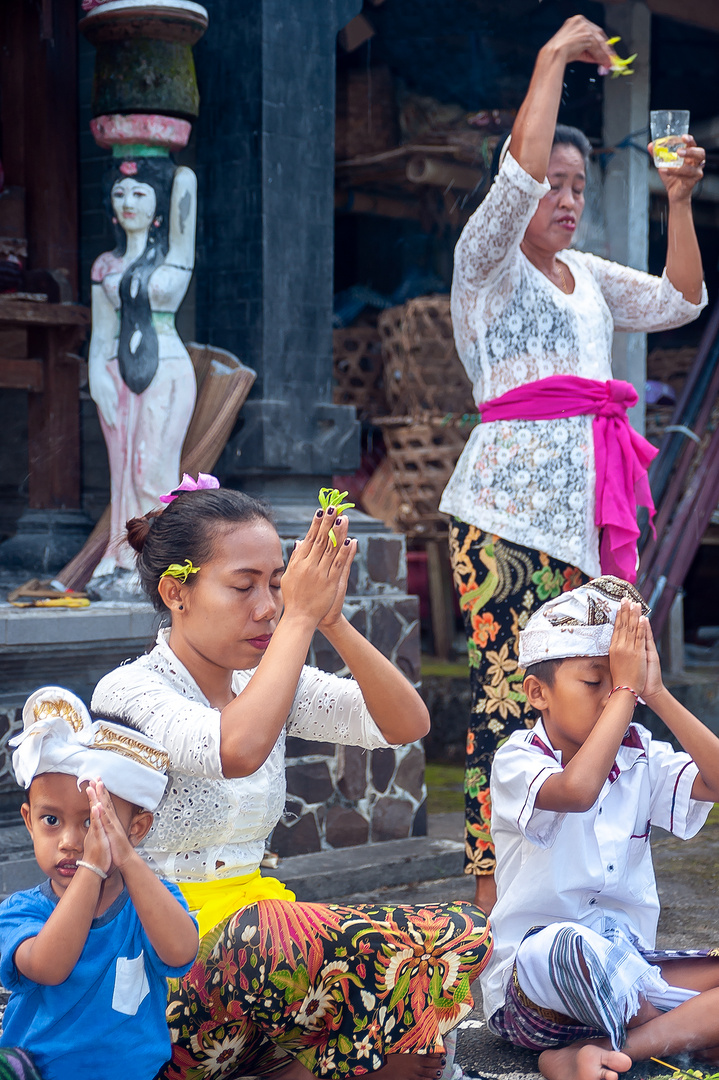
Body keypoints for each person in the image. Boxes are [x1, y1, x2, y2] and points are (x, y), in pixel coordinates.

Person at [438, 14, 708, 914]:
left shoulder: (586, 276)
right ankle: (488, 906)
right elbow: (512, 181)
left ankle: (575, 887)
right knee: (504, 703)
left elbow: (677, 300)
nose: (562, 197)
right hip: (502, 516)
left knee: (585, 702)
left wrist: (674, 201)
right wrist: (551, 57)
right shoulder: (484, 264)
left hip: (587, 518)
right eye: (550, 183)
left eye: (576, 184)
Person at [90, 479, 492, 1080]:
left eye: (277, 583)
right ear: (177, 592)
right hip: (162, 978)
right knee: (268, 938)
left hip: (264, 977)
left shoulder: (267, 682)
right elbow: (236, 749)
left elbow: (406, 722)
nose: (268, 607)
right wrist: (299, 619)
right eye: (243, 585)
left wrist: (332, 621)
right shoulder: (129, 690)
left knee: (432, 1000)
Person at [480, 576, 719, 1080]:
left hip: (631, 971)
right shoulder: (516, 760)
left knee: (626, 960)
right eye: (596, 683)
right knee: (564, 946)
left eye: (619, 685)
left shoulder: (641, 754)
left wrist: (656, 693)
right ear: (537, 692)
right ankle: (683, 1033)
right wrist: (628, 690)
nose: (615, 699)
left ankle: (604, 1052)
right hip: (538, 986)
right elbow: (577, 790)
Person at [0, 686, 199, 1080]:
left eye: (92, 822)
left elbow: (180, 952)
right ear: (28, 821)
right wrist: (92, 870)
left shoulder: (150, 903)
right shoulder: (21, 912)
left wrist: (124, 857)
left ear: (136, 829)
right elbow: (48, 967)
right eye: (51, 821)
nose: (72, 842)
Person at [88, 154, 198, 580]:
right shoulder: (105, 265)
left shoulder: (175, 256)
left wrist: (177, 177)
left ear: (159, 204)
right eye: (119, 193)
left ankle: (159, 562)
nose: (127, 202)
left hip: (166, 370)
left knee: (153, 470)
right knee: (122, 473)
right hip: (116, 375)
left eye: (139, 192)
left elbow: (185, 191)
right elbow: (101, 333)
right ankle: (121, 560)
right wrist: (96, 374)